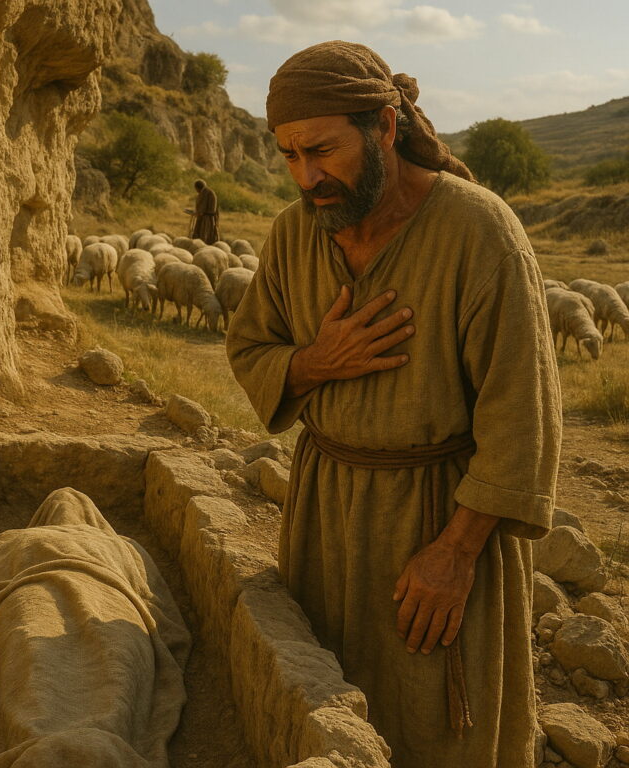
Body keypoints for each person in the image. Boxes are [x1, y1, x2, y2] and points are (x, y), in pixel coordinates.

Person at [225, 41, 561, 768]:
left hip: (436, 523)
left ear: (383, 125)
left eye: (322, 150)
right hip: (323, 514)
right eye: (287, 155)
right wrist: (315, 362)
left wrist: (456, 554)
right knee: (326, 705)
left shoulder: (478, 232)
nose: (306, 176)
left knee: (439, 727)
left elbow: (521, 414)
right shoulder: (293, 234)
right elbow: (250, 348)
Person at [191, 178, 220, 244]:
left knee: (204, 234)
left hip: (206, 219)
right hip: (208, 217)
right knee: (209, 234)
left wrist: (197, 213)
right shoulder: (208, 192)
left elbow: (202, 209)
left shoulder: (205, 193)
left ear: (198, 188)